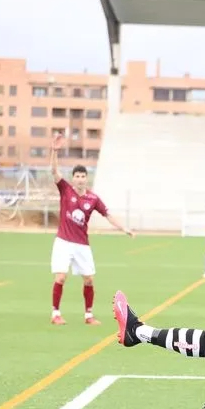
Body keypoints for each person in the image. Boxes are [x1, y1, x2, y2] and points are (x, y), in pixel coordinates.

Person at [49, 133, 134, 326]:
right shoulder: (65, 190)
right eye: (77, 176)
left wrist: (124, 228)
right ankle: (55, 313)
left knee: (88, 280)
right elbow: (54, 171)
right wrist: (54, 151)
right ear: (73, 178)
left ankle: (88, 315)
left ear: (86, 179)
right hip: (63, 242)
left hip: (82, 244)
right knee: (61, 276)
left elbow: (108, 214)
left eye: (82, 176)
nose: (80, 179)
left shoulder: (93, 198)